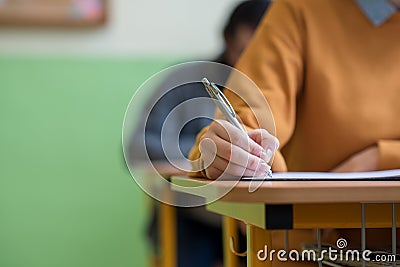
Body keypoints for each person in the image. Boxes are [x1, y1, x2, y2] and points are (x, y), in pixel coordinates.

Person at [189, 0, 400, 265]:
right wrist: (227, 149)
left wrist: (379, 159)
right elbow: (249, 117)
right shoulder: (301, 10)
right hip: (306, 251)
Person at [129, 1, 272, 267]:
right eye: (244, 51)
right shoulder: (184, 80)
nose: (252, 64)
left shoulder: (286, 88)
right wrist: (205, 158)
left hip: (259, 217)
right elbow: (138, 147)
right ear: (228, 40)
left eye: (266, 55)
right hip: (194, 218)